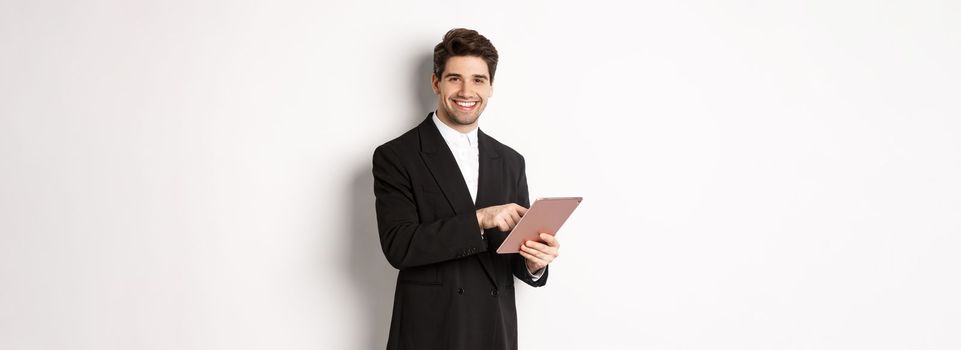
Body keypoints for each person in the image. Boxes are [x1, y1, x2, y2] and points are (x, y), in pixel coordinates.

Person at [372, 28, 561, 350]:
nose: (466, 91)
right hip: (429, 329)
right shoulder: (396, 155)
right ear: (436, 83)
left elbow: (513, 252)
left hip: (493, 329)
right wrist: (480, 219)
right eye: (454, 78)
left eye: (478, 80)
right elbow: (399, 247)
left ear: (490, 88)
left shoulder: (510, 160)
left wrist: (534, 262)